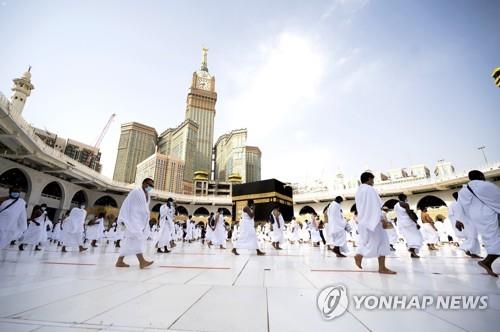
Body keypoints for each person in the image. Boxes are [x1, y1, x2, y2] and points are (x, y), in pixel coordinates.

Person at [457, 170, 500, 277]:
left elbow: (460, 205)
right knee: (495, 238)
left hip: (475, 217)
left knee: (490, 238)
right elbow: (497, 199)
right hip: (488, 214)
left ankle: (488, 262)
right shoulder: (485, 185)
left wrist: (459, 220)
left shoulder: (463, 190)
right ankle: (487, 261)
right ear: (481, 176)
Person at [354, 172, 396, 274]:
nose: (373, 182)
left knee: (371, 242)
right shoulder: (370, 190)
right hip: (374, 221)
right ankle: (379, 266)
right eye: (372, 179)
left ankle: (362, 256)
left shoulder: (359, 191)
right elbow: (376, 206)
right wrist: (382, 218)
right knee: (383, 242)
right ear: (369, 179)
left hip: (364, 221)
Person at [115, 178, 154, 269]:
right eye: (149, 185)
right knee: (137, 238)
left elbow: (145, 208)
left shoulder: (148, 195)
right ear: (144, 183)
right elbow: (127, 204)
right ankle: (142, 262)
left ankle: (119, 261)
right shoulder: (136, 192)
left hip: (140, 221)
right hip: (132, 220)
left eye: (152, 186)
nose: (150, 187)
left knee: (130, 241)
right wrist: (126, 218)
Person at [449, 192, 481, 258]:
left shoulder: (456, 203)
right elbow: (452, 215)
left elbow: (451, 215)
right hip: (464, 223)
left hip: (466, 222)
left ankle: (469, 251)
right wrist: (457, 222)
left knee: (471, 237)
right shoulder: (456, 204)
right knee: (472, 236)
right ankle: (465, 248)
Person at [394, 194, 423, 258]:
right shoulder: (405, 204)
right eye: (406, 197)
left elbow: (398, 215)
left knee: (409, 237)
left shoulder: (395, 205)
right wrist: (416, 223)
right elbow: (409, 214)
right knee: (417, 236)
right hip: (408, 222)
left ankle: (413, 253)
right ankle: (412, 249)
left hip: (401, 223)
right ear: (404, 198)